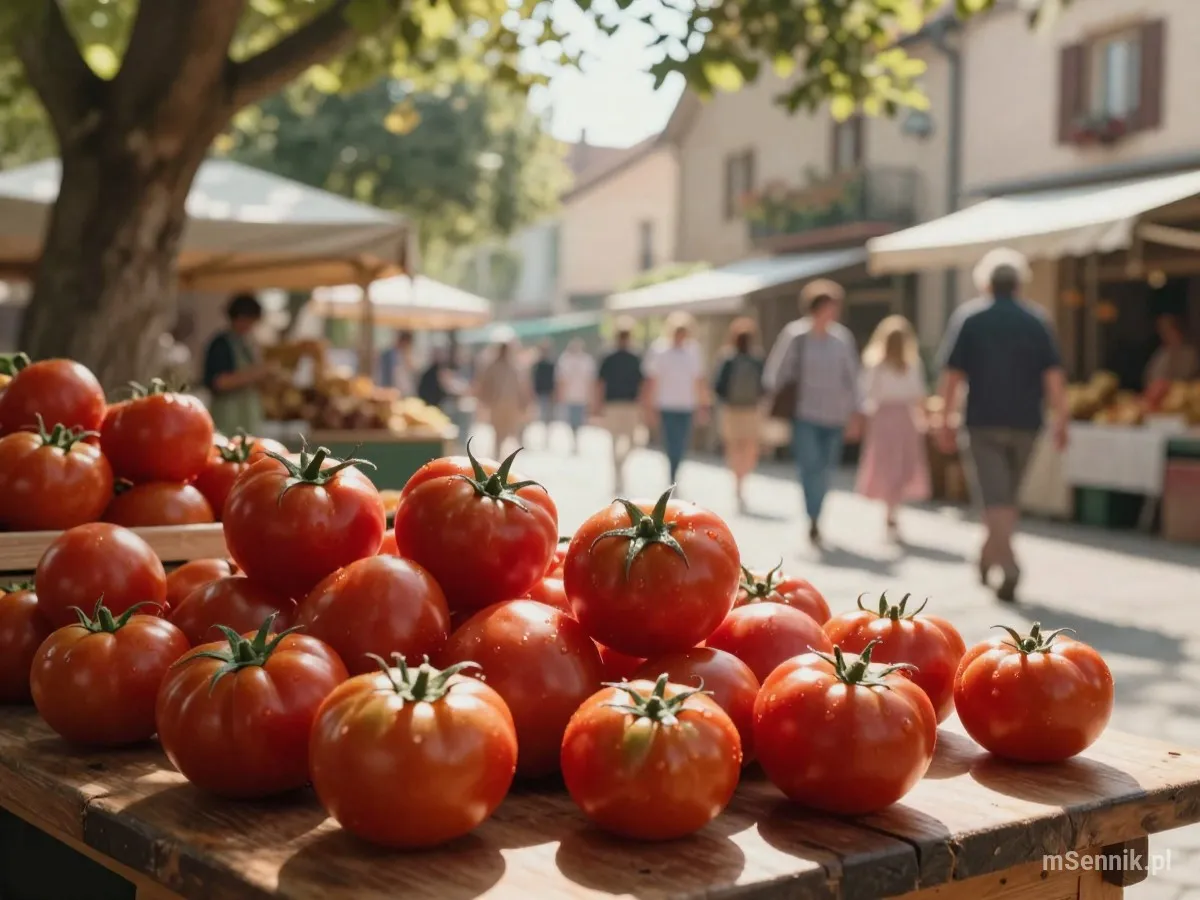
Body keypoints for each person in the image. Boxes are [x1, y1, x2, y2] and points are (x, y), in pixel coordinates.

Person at [936, 247, 1070, 603]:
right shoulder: (1036, 320)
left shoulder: (970, 318)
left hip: (982, 421)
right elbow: (1053, 375)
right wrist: (1062, 419)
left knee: (995, 496)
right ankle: (991, 555)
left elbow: (951, 375)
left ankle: (1007, 565)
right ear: (1019, 284)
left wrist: (944, 418)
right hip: (1027, 422)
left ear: (985, 283)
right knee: (1005, 496)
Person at [763, 279, 864, 547]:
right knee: (809, 466)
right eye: (829, 306)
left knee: (826, 468)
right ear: (816, 307)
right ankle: (813, 516)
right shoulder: (795, 335)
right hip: (805, 414)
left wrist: (857, 413)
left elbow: (853, 378)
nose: (834, 311)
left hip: (835, 416)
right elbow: (776, 373)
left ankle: (818, 512)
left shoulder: (842, 339)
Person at [855, 315, 930, 541]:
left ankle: (890, 510)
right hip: (902, 417)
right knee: (898, 465)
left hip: (883, 418)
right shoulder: (909, 365)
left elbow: (866, 394)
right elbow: (919, 395)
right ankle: (892, 509)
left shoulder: (877, 365)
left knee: (889, 465)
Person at [642, 312, 709, 487]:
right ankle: (671, 471)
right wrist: (649, 406)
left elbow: (699, 380)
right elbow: (652, 379)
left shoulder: (693, 350)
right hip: (666, 404)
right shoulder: (660, 349)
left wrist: (703, 404)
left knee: (681, 442)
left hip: (686, 404)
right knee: (670, 441)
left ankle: (676, 471)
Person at [713, 317, 765, 512]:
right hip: (751, 409)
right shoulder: (756, 359)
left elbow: (718, 386)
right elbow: (764, 385)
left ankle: (738, 480)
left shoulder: (727, 358)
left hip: (732, 409)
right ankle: (742, 478)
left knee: (734, 446)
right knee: (749, 446)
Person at [203, 293, 271, 437]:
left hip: (249, 417)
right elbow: (219, 382)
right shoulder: (221, 344)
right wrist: (255, 374)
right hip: (228, 419)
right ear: (239, 318)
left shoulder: (247, 344)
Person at [596, 318, 644, 493]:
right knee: (614, 441)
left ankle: (620, 464)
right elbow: (600, 383)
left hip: (630, 404)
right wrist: (598, 404)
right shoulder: (608, 357)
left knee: (634, 442)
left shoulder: (635, 357)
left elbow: (642, 383)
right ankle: (617, 477)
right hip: (613, 403)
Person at [474, 334, 530, 457]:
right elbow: (484, 384)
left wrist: (524, 403)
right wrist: (484, 400)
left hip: (511, 404)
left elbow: (521, 386)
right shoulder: (493, 366)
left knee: (510, 430)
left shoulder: (514, 366)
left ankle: (507, 454)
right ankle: (498, 453)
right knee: (498, 431)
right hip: (497, 404)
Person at [555, 338, 596, 454]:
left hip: (582, 396)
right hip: (569, 396)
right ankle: (574, 438)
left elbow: (590, 380)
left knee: (579, 419)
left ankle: (577, 437)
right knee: (571, 420)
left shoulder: (587, 360)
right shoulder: (565, 359)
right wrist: (560, 395)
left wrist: (591, 396)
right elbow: (561, 379)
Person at [1144, 313, 1198, 387]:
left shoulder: (1190, 353)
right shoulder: (1162, 353)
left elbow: (1190, 377)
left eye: (1169, 331)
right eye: (1163, 332)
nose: (1166, 335)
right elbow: (1150, 378)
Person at [531, 340, 557, 443]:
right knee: (538, 416)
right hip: (538, 393)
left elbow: (555, 380)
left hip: (549, 393)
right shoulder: (536, 365)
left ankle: (546, 437)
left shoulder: (552, 364)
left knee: (548, 416)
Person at [378, 330, 417, 397]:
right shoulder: (389, 355)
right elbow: (385, 374)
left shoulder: (407, 355)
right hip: (391, 390)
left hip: (405, 391)